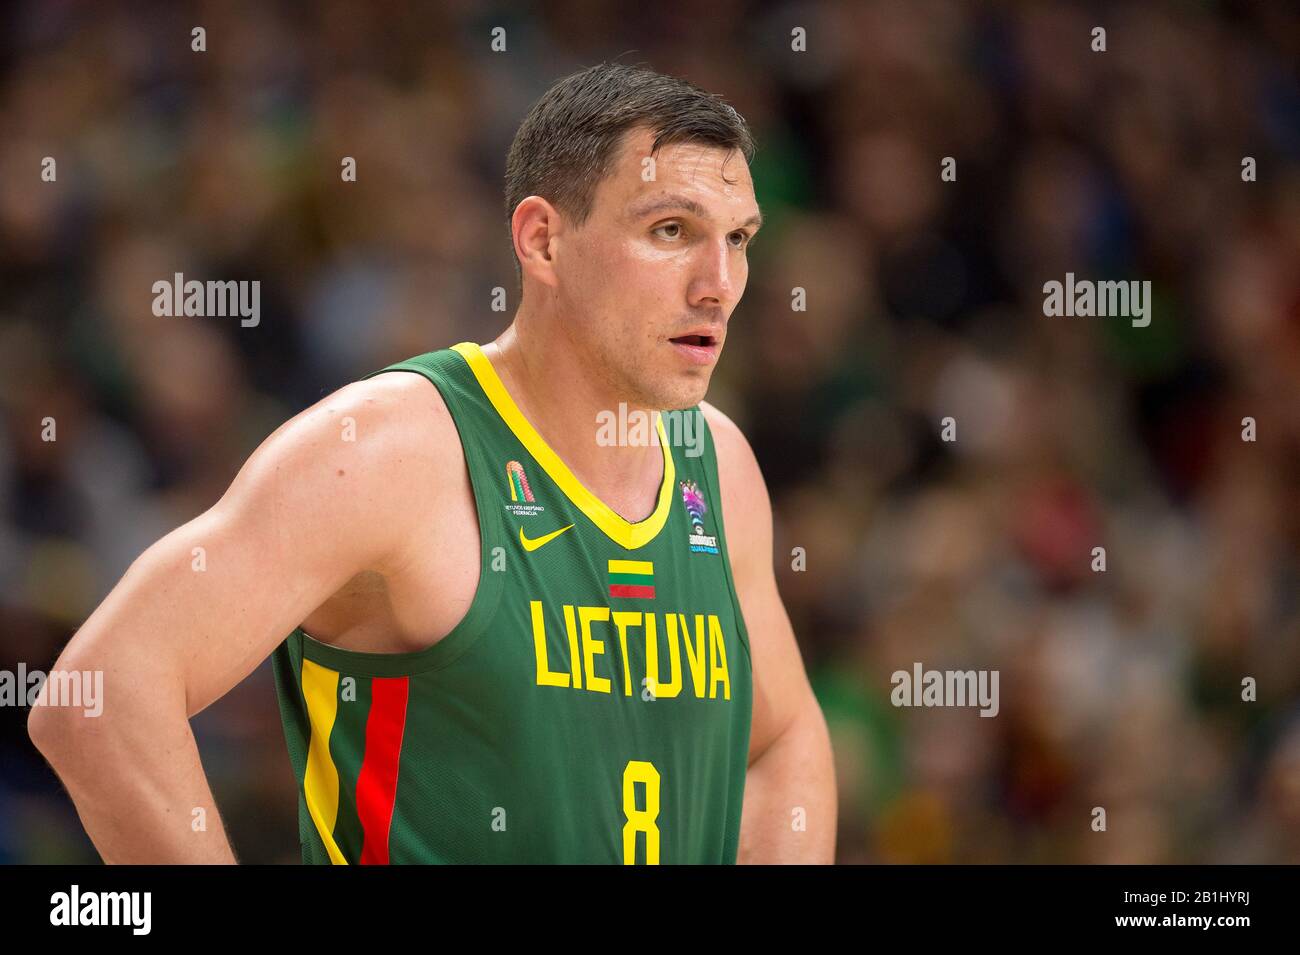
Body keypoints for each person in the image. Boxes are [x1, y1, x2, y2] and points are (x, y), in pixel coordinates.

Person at [28, 62, 836, 864]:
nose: (720, 285)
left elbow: (783, 737)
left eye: (737, 239)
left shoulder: (717, 464)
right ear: (543, 240)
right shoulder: (385, 453)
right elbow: (98, 694)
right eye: (672, 231)